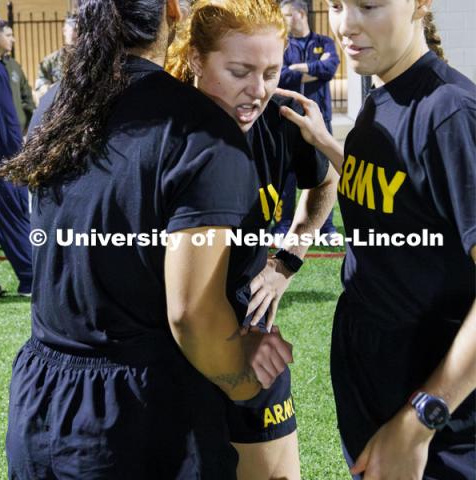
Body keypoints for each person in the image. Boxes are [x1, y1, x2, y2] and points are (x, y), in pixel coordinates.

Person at [0, 0, 294, 478]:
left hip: (39, 405)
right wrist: (246, 386)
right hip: (141, 418)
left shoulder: (56, 103)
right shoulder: (200, 131)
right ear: (173, 11)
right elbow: (192, 314)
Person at [250, 0, 476, 478]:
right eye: (335, 5)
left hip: (437, 424)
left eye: (368, 5)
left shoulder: (451, 113)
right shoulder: (382, 97)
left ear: (420, 5)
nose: (345, 24)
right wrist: (330, 147)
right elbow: (396, 192)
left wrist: (420, 420)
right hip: (374, 390)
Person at [166, 0, 338, 478]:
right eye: (240, 71)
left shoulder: (282, 119)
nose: (257, 91)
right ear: (196, 58)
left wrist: (287, 261)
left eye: (271, 71)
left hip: (249, 327)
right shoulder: (163, 126)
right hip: (167, 343)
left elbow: (325, 184)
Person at [272, 0, 340, 237]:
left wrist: (298, 68)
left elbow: (330, 68)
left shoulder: (324, 42)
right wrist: (312, 70)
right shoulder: (284, 44)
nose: (284, 20)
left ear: (301, 14)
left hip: (320, 119)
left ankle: (326, 227)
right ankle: (282, 225)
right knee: (287, 173)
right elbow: (280, 76)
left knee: (325, 174)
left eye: (287, 15)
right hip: (289, 117)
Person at [0, 28, 32, 297]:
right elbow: (6, 118)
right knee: (13, 213)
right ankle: (31, 276)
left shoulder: (7, 66)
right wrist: (15, 156)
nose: (11, 38)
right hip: (2, 156)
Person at [0, 19, 35, 133]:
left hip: (15, 136)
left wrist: (28, 125)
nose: (13, 40)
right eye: (8, 35)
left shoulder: (14, 66)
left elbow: (27, 97)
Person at [34, 15, 77, 97]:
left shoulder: (89, 59)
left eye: (81, 30)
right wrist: (50, 89)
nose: (78, 33)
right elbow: (40, 83)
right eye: (74, 29)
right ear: (64, 31)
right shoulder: (51, 60)